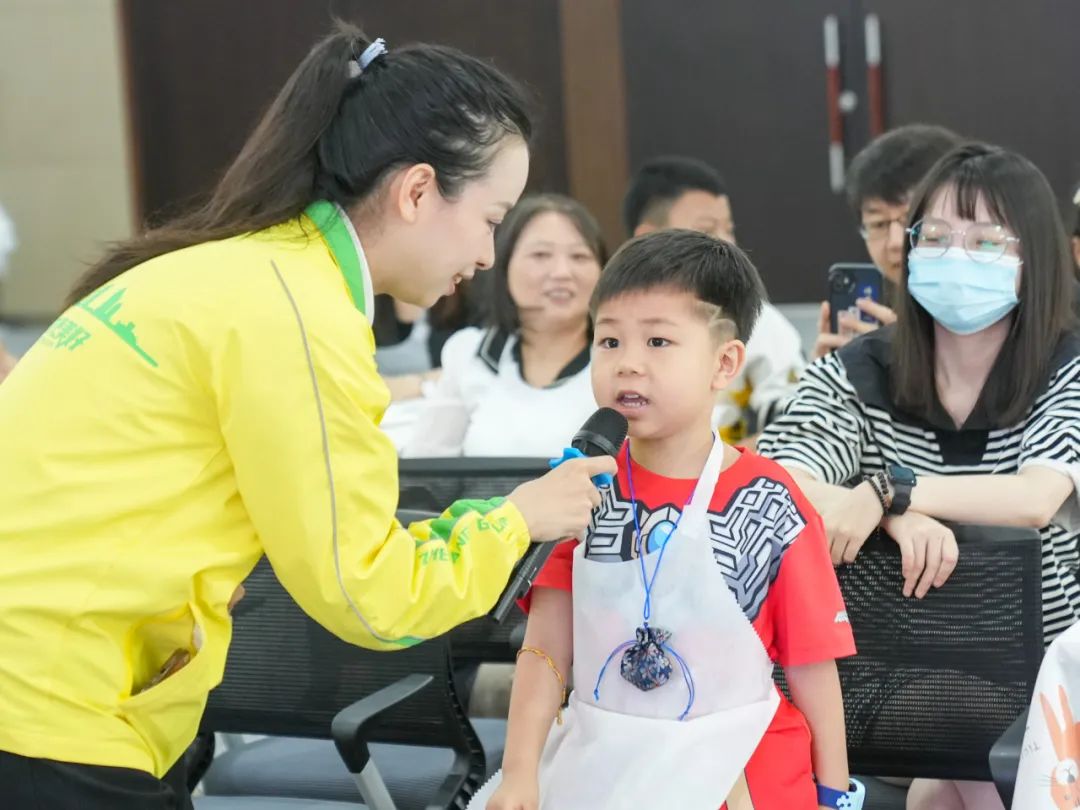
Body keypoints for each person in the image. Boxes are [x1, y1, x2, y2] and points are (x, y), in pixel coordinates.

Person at [0, 26, 616, 809]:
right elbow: (372, 595)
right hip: (55, 712)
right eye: (493, 219)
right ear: (417, 192)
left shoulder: (214, 269)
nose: (490, 256)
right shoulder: (300, 314)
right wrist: (516, 519)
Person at [477, 230, 857, 810]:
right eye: (609, 341)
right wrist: (519, 773)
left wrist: (834, 795)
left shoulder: (770, 501)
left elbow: (811, 666)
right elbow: (545, 649)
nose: (628, 364)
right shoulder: (577, 488)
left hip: (738, 763)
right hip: (603, 756)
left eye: (658, 341)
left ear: (724, 363)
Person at [758, 143, 1080, 810]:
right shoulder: (859, 371)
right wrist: (894, 515)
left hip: (1048, 691)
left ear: (1037, 259)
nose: (955, 256)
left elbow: (1036, 496)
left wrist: (888, 491)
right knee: (951, 770)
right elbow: (776, 479)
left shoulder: (1067, 368)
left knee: (951, 784)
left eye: (985, 242)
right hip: (892, 681)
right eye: (934, 236)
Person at [404, 193, 605, 457]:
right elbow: (427, 465)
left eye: (579, 256)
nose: (562, 272)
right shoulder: (469, 354)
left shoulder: (620, 360)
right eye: (541, 255)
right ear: (504, 264)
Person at [623, 155, 804, 444]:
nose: (726, 243)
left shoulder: (757, 320)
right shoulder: (615, 322)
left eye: (729, 229)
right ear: (649, 237)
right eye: (707, 231)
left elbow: (797, 425)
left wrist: (721, 464)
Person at [812, 124, 961, 359]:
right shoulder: (876, 319)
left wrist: (915, 360)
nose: (895, 242)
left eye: (911, 220)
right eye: (879, 224)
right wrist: (825, 374)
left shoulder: (997, 313)